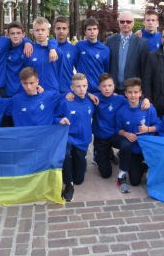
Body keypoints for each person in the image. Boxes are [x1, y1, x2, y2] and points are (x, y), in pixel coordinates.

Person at [92, 73, 150, 179]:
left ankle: (126, 163)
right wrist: (88, 94)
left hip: (115, 135)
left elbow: (135, 100)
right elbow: (79, 96)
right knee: (106, 174)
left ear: (114, 86)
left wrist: (146, 100)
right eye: (104, 86)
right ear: (99, 87)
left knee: (126, 145)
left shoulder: (120, 99)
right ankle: (104, 154)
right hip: (101, 138)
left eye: (110, 85)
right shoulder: (95, 98)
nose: (107, 88)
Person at [116, 78, 160, 192]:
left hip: (147, 149)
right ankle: (126, 169)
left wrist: (148, 129)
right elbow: (118, 129)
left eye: (136, 92)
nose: (133, 95)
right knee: (135, 182)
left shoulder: (149, 108)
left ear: (141, 93)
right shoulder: (121, 111)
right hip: (134, 150)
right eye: (130, 92)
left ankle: (146, 165)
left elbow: (159, 126)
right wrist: (125, 133)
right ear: (125, 93)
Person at [56, 73, 95, 202]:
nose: (81, 89)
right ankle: (68, 185)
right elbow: (55, 116)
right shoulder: (66, 101)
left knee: (79, 179)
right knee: (65, 154)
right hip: (69, 137)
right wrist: (60, 120)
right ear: (71, 87)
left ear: (88, 86)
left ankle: (75, 167)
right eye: (78, 87)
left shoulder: (91, 101)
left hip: (83, 140)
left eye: (84, 86)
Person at [106, 11, 149, 94]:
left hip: (132, 90)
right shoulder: (110, 41)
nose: (125, 24)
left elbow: (144, 69)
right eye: (122, 21)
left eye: (128, 21)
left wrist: (144, 91)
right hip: (113, 89)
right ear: (118, 23)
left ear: (133, 23)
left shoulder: (142, 43)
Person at [23, 17, 62, 92]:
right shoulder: (29, 51)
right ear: (33, 32)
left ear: (48, 32)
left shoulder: (57, 51)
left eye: (43, 30)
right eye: (37, 30)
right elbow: (26, 74)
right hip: (35, 92)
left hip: (53, 92)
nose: (40, 33)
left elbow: (60, 72)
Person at [75, 18, 110, 92]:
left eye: (94, 29)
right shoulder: (79, 46)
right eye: (89, 29)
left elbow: (106, 70)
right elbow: (75, 63)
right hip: (82, 91)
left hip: (99, 90)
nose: (92, 32)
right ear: (85, 31)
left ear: (98, 31)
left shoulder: (105, 49)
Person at [54, 16, 78, 93]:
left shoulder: (73, 49)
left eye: (64, 28)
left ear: (68, 30)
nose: (61, 31)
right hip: (51, 90)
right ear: (54, 30)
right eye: (58, 28)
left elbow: (79, 70)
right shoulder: (48, 47)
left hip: (68, 90)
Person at [5, 21, 28, 97]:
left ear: (23, 34)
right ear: (8, 35)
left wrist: (28, 42)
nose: (15, 36)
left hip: (24, 91)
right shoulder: (4, 47)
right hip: (8, 91)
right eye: (12, 33)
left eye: (18, 33)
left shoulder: (28, 48)